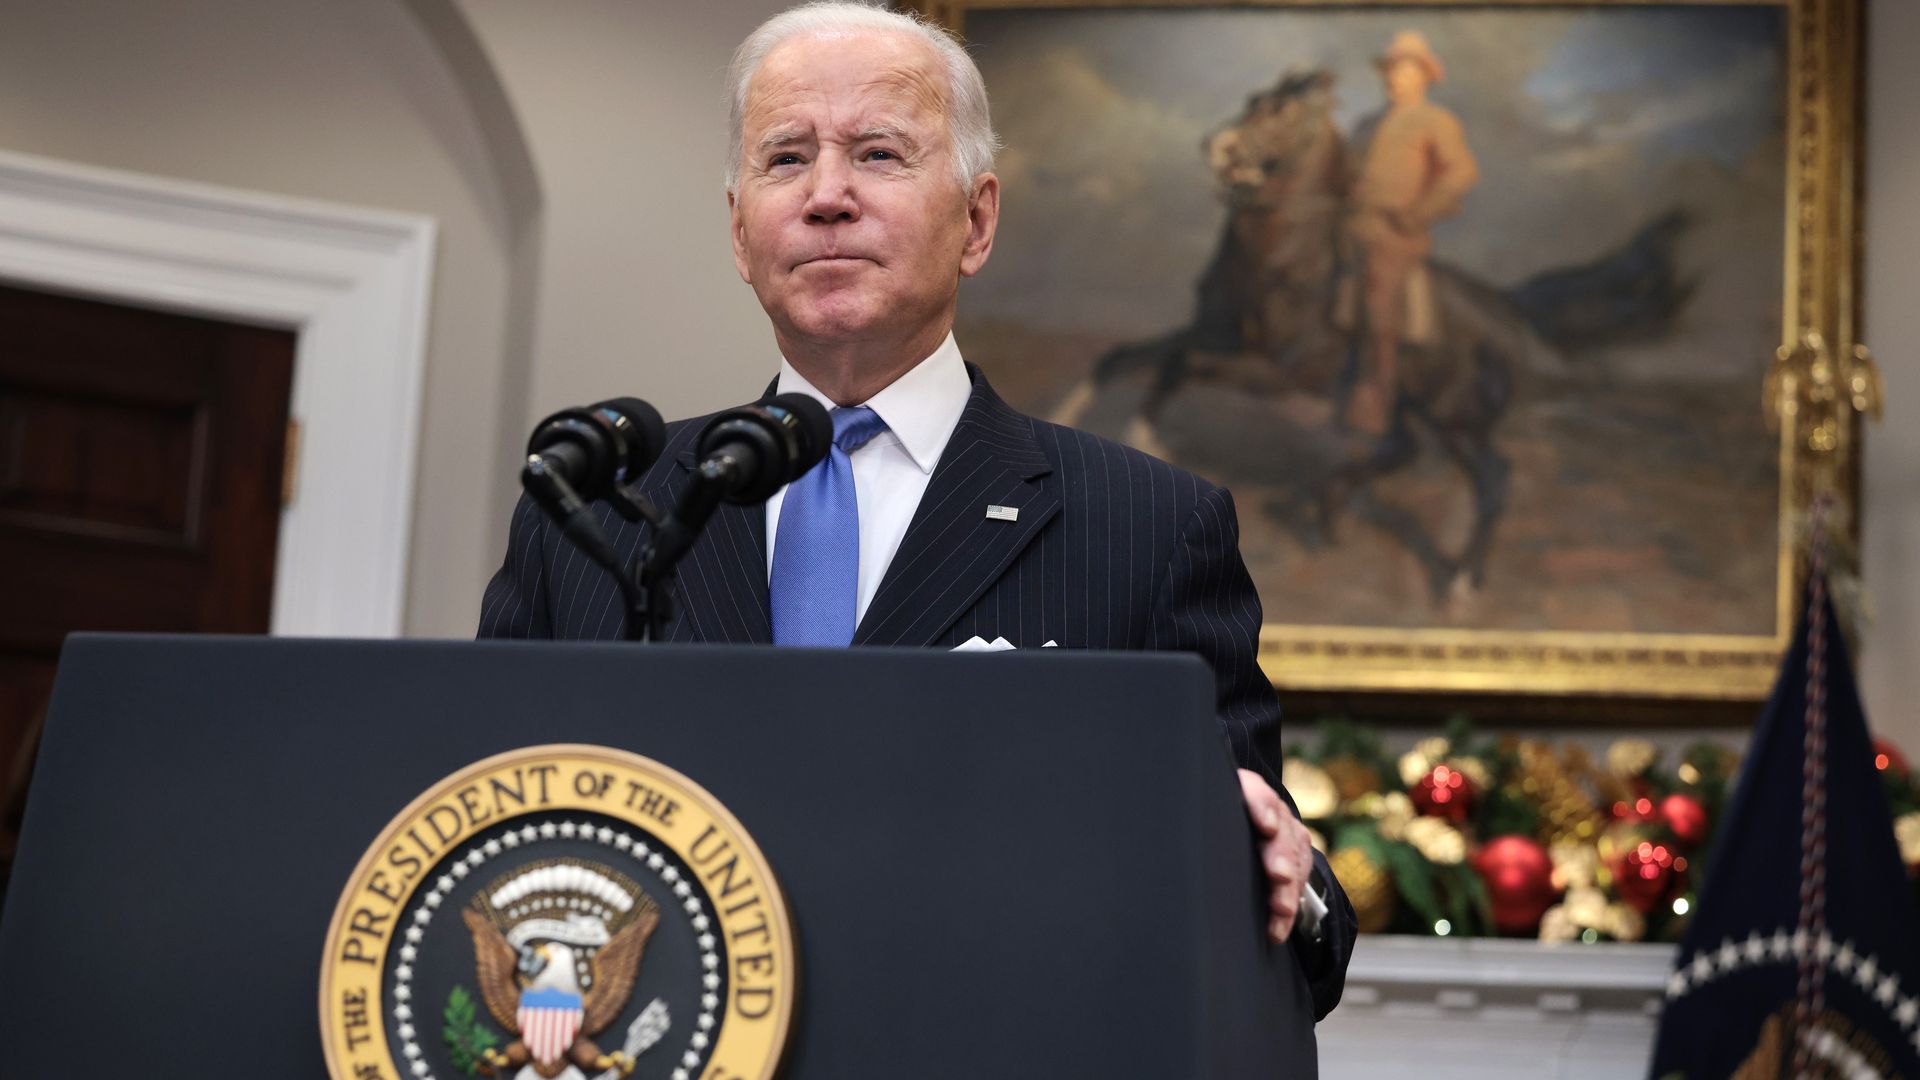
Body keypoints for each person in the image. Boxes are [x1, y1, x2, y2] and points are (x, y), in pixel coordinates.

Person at [479, 0, 1354, 1020]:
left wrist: (1295, 877)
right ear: (738, 230)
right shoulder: (597, 514)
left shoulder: (1148, 528)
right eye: (786, 158)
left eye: (879, 153)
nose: (827, 197)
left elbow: (1278, 908)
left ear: (976, 221)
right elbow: (493, 840)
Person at [1339, 30, 1479, 436]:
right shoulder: (1366, 124)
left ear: (1423, 76)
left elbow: (1462, 173)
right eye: (1390, 69)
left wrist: (1419, 212)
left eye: (1402, 70)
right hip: (1352, 227)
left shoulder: (1436, 121)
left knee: (1380, 304)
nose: (1392, 77)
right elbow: (1349, 173)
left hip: (1395, 234)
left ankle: (1375, 403)